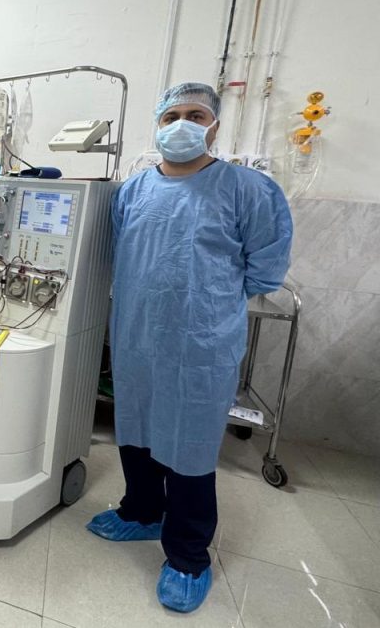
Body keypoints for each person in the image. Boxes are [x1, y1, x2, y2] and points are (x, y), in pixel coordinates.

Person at [87, 83, 292, 613]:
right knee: (135, 428)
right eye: (171, 115)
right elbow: (125, 254)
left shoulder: (247, 189)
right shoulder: (134, 191)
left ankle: (187, 555)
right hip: (137, 336)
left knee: (190, 447)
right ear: (158, 125)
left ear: (214, 126)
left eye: (195, 115)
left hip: (200, 345)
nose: (182, 123)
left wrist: (207, 304)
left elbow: (265, 269)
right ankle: (141, 512)